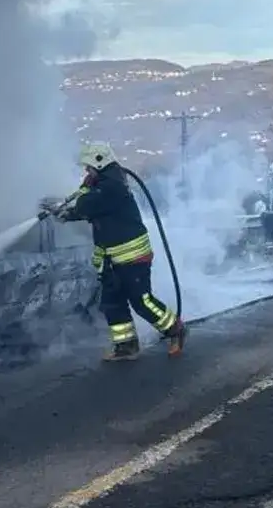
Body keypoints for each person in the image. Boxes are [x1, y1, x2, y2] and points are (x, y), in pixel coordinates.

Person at [50, 142, 188, 361]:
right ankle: (126, 345)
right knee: (112, 302)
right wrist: (72, 200)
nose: (87, 171)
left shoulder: (111, 187)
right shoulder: (102, 184)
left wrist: (65, 212)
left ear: (99, 161)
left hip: (132, 257)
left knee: (141, 301)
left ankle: (175, 329)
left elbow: (86, 206)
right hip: (111, 259)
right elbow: (87, 203)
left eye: (89, 167)